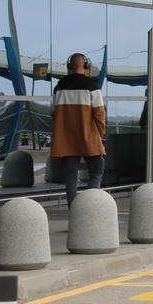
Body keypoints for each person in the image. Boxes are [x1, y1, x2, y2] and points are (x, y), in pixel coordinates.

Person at [51, 52, 107, 207]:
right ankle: (89, 206)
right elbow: (100, 115)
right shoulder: (92, 87)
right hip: (89, 137)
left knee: (70, 178)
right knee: (96, 172)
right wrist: (99, 135)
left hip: (67, 140)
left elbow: (54, 114)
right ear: (86, 66)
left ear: (69, 67)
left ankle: (74, 211)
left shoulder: (59, 88)